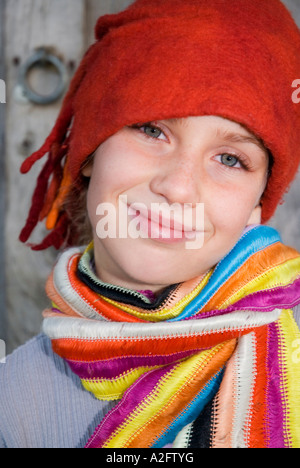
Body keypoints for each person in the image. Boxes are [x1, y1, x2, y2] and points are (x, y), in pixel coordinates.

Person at [1, 0, 300, 449]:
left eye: (230, 159)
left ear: (257, 204)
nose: (178, 187)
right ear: (89, 147)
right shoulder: (13, 401)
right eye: (151, 129)